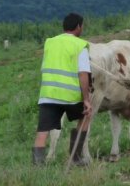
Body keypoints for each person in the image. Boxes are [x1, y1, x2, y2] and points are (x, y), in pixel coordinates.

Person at [32, 13, 93, 165]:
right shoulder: (80, 45)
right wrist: (86, 99)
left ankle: (37, 167)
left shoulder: (50, 43)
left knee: (42, 131)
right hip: (70, 95)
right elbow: (83, 74)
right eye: (82, 25)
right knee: (85, 116)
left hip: (48, 94)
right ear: (79, 26)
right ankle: (75, 158)